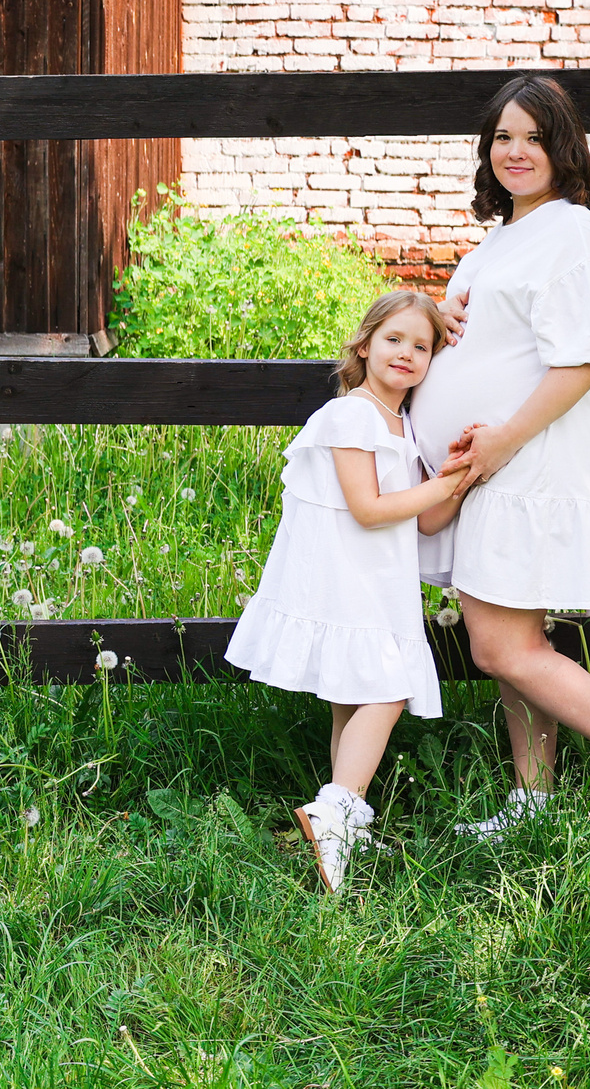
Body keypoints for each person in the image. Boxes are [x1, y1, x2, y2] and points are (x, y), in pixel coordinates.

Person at [415, 72, 590, 834]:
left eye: (534, 138)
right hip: (487, 470)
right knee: (518, 643)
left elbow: (588, 354)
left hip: (527, 465)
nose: (516, 151)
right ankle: (533, 803)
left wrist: (505, 437)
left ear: (563, 148)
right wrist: (435, 320)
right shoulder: (503, 236)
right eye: (503, 136)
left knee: (500, 646)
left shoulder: (571, 231)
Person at [226, 289, 475, 891]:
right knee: (388, 690)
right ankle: (335, 811)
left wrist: (461, 475)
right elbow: (368, 508)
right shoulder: (349, 414)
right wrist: (442, 489)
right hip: (339, 577)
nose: (407, 353)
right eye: (394, 339)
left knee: (352, 697)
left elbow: (426, 520)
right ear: (363, 346)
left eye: (423, 346)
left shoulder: (403, 424)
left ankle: (341, 835)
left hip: (376, 583)